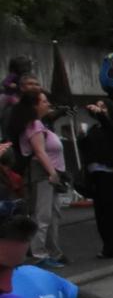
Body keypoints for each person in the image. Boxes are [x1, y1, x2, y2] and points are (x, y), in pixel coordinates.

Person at [7, 86, 66, 262]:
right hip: (43, 175)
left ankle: (52, 250)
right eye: (44, 101)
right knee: (43, 215)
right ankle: (39, 253)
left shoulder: (39, 124)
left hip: (48, 174)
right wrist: (52, 173)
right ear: (35, 105)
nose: (48, 104)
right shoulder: (34, 125)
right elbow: (40, 152)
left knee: (53, 214)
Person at [79, 96, 113, 258]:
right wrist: (82, 137)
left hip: (112, 175)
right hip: (96, 175)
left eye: (104, 107)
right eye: (98, 106)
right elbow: (87, 149)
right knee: (101, 214)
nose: (99, 109)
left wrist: (101, 114)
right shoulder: (95, 128)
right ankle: (107, 245)